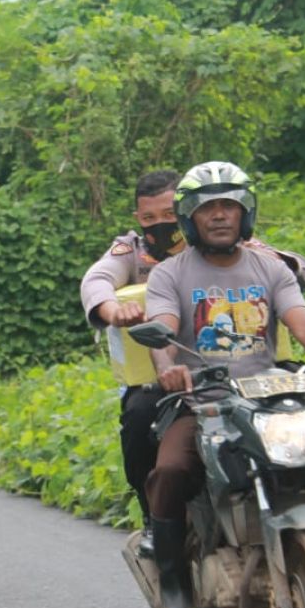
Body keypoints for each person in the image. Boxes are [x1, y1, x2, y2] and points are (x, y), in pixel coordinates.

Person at [142, 161, 305, 608]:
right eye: (209, 208)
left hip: (264, 394)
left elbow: (302, 320)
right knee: (169, 470)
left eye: (230, 205)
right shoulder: (169, 274)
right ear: (190, 218)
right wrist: (168, 368)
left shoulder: (270, 268)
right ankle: (172, 579)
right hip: (204, 400)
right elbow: (165, 329)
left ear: (245, 212)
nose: (220, 216)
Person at [80, 170, 187, 550]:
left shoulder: (213, 241)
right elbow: (96, 280)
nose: (162, 226)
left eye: (171, 214)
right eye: (149, 219)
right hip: (157, 375)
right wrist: (114, 309)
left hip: (230, 361)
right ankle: (154, 514)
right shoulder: (132, 253)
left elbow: (280, 262)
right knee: (140, 416)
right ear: (137, 220)